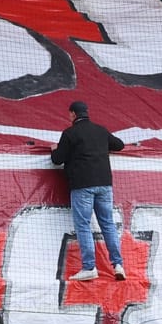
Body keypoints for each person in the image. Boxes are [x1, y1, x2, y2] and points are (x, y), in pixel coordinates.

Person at [50, 99, 125, 281]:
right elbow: (119, 145)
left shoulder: (70, 133)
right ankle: (118, 265)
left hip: (82, 185)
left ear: (73, 114)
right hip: (104, 184)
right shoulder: (100, 131)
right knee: (107, 224)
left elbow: (58, 159)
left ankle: (89, 267)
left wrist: (55, 149)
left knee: (83, 225)